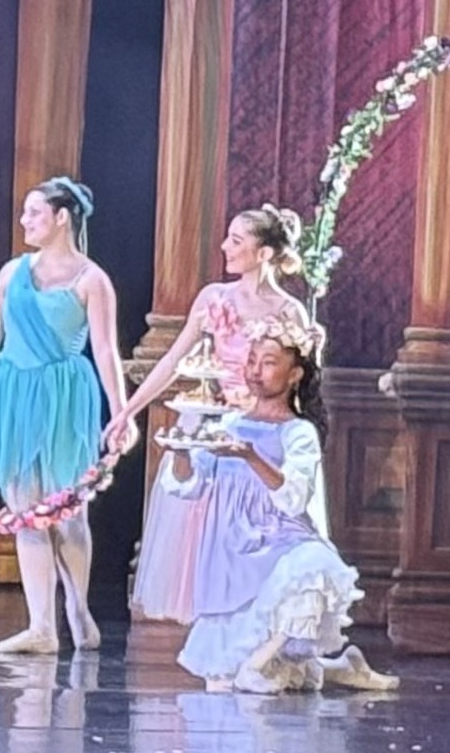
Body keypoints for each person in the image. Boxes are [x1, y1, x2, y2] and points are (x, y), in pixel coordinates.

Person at [0, 177, 133, 654]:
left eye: (34, 213)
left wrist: (121, 413)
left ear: (62, 218)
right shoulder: (12, 273)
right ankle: (41, 625)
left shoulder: (92, 280)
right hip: (13, 394)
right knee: (25, 509)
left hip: (64, 396)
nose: (24, 221)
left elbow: (106, 350)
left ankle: (77, 606)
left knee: (67, 510)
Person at [160, 317, 398, 693]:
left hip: (278, 541)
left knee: (313, 567)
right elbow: (189, 485)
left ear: (294, 375)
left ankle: (259, 665)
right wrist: (181, 451)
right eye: (252, 361)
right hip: (229, 552)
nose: (256, 371)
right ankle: (336, 668)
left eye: (268, 362)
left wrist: (252, 457)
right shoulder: (228, 423)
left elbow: (293, 497)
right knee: (220, 681)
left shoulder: (297, 432)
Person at [109, 205, 312, 624]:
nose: (225, 247)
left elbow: (301, 381)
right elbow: (174, 361)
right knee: (209, 532)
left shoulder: (289, 311)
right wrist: (128, 410)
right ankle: (216, 627)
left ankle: (261, 625)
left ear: (263, 253)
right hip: (216, 425)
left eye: (237, 240)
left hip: (263, 432)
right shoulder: (214, 298)